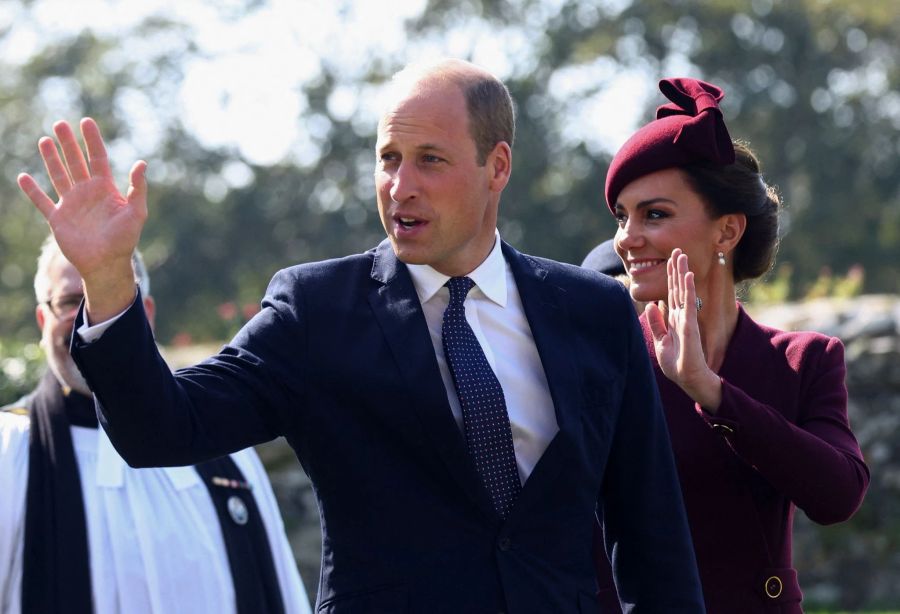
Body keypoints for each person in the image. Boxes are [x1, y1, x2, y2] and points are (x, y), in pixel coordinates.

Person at [18, 59, 706, 613]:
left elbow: (653, 542)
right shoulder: (316, 311)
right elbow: (160, 429)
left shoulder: (595, 312)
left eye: (430, 160)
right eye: (388, 158)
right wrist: (109, 282)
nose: (399, 186)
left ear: (497, 166)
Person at [590, 77, 870, 613]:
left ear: (726, 232)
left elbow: (839, 495)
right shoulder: (604, 358)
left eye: (654, 214)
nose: (625, 238)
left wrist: (709, 389)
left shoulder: (803, 360)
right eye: (621, 216)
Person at [0, 236, 312, 614]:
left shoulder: (223, 446)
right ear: (41, 319)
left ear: (144, 313)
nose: (86, 317)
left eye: (106, 296)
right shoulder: (10, 449)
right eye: (69, 302)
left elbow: (282, 590)